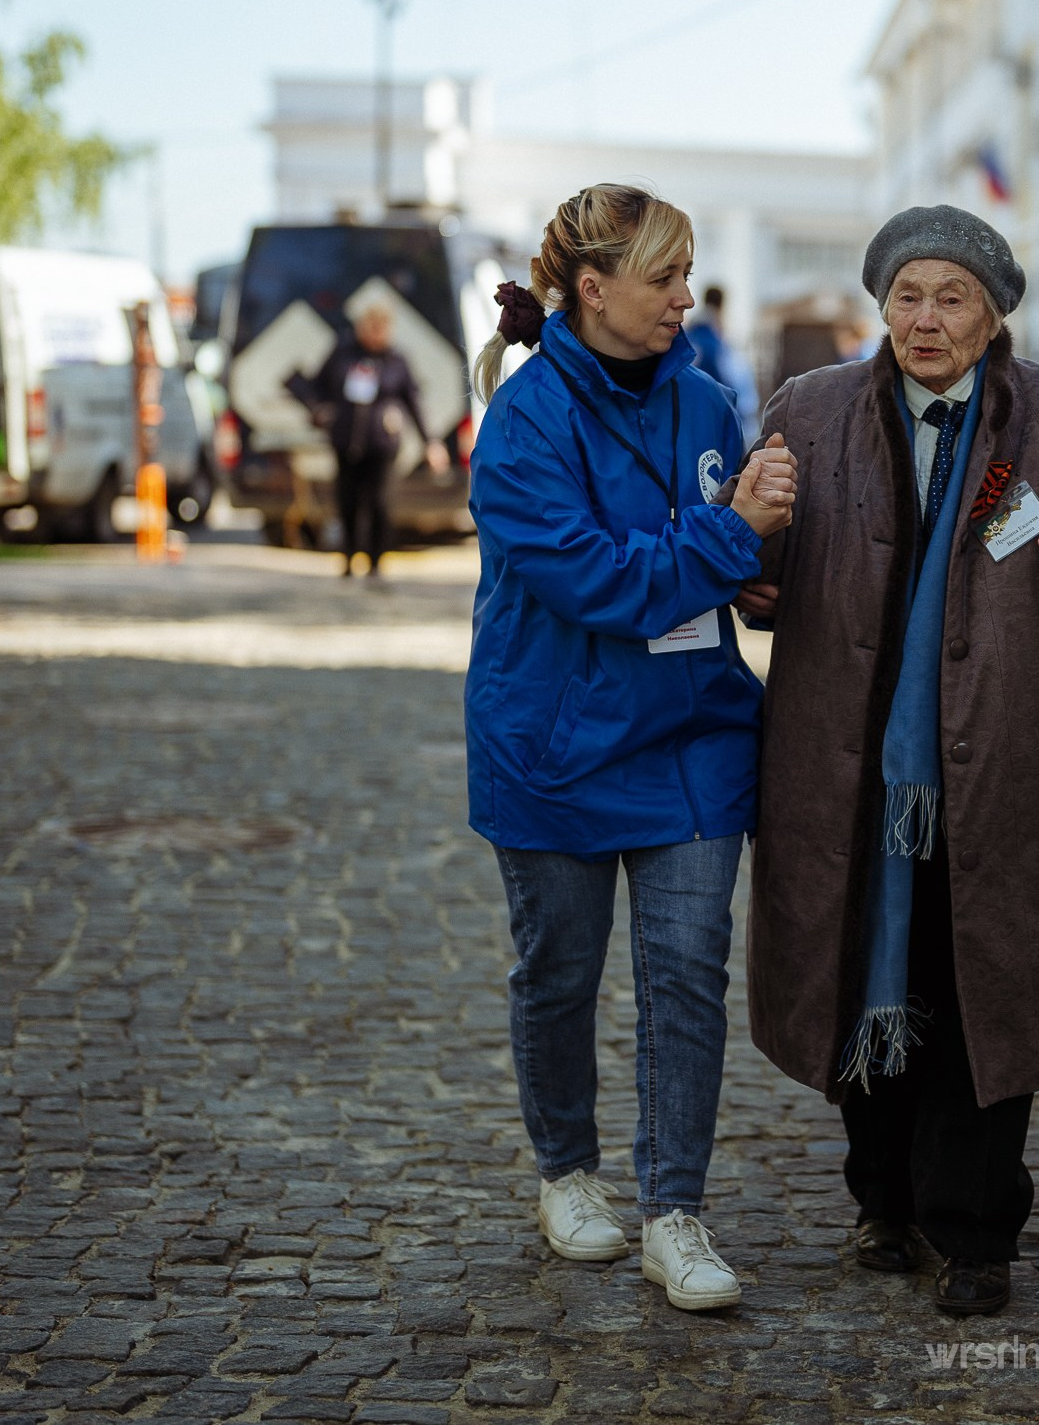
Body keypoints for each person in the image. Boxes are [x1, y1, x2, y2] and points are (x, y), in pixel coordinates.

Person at [738, 206, 1039, 1318]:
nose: (924, 319)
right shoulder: (812, 408)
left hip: (1007, 767)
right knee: (855, 968)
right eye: (906, 296)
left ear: (994, 316)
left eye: (950, 298)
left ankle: (977, 1231)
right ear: (878, 305)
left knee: (982, 981)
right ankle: (881, 1201)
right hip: (843, 766)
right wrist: (746, 554)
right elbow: (753, 545)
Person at [463, 184, 799, 1313]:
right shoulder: (520, 425)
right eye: (664, 277)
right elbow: (599, 581)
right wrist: (728, 538)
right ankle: (566, 1173)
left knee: (687, 980)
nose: (684, 295)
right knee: (558, 974)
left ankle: (675, 1213)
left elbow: (721, 562)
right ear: (591, 290)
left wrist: (761, 570)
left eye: (689, 270)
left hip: (693, 735)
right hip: (554, 744)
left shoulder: (705, 402)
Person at [300, 301, 445, 577]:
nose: (375, 335)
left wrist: (431, 442)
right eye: (370, 328)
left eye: (381, 329)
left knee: (380, 502)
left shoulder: (396, 360)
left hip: (382, 445)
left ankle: (376, 561)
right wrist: (319, 411)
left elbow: (414, 402)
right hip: (345, 442)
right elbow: (315, 387)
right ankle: (349, 557)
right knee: (347, 502)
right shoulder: (342, 353)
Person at [684, 285, 760, 442]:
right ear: (722, 304)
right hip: (714, 417)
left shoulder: (690, 336)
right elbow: (731, 382)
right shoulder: (713, 342)